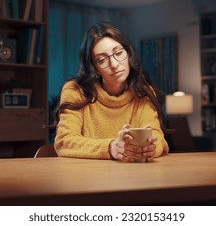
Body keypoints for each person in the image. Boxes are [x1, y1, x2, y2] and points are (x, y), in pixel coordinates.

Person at [54, 22, 169, 162]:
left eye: (119, 53)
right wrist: (111, 147)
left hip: (134, 177)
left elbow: (157, 137)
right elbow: (64, 142)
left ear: (128, 53)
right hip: (86, 177)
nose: (114, 65)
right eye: (102, 60)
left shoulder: (143, 92)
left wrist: (151, 148)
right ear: (94, 68)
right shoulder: (75, 90)